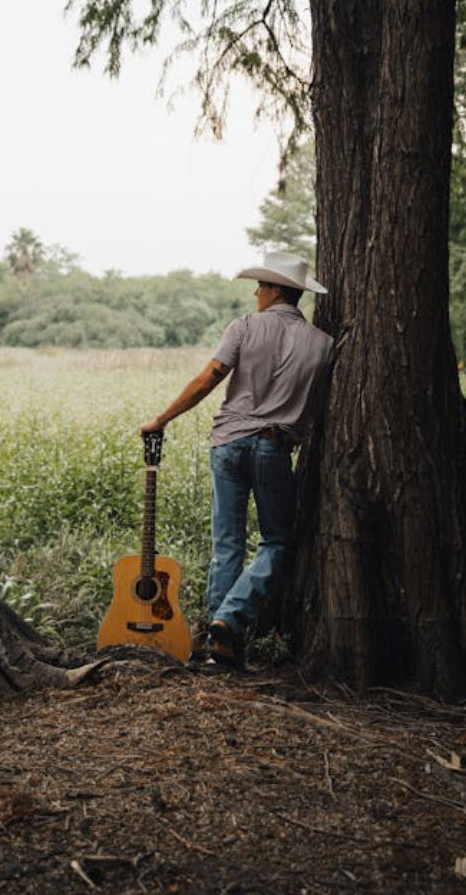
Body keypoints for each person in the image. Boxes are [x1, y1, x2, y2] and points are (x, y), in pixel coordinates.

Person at [140, 251, 333, 668]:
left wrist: (161, 419)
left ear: (277, 289)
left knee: (227, 544)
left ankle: (217, 630)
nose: (256, 292)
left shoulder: (244, 326)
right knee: (276, 541)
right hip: (273, 446)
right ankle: (229, 624)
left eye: (261, 285)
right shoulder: (323, 344)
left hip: (227, 443)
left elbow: (208, 379)